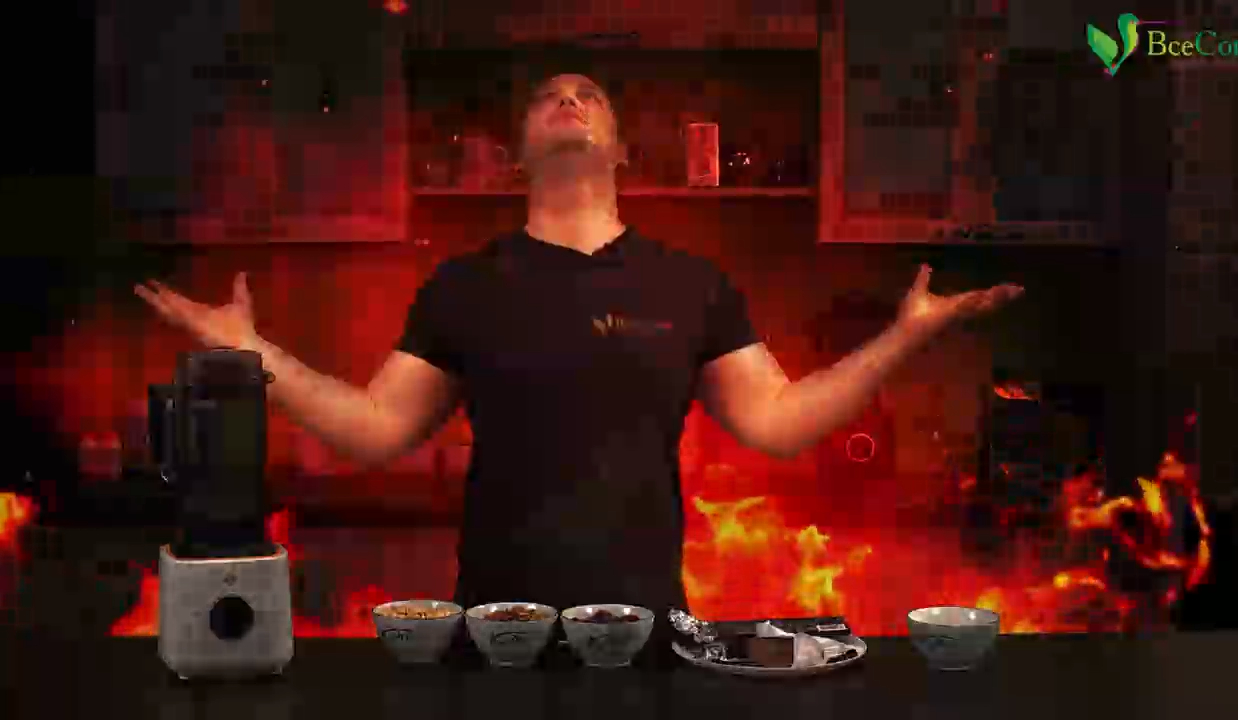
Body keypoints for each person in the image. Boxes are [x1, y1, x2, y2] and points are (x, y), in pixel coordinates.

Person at [136, 73, 1022, 664]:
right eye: (548, 96)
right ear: (518, 153)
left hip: (649, 636)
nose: (568, 97)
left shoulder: (690, 283)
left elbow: (778, 422)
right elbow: (375, 430)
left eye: (587, 94)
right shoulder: (465, 285)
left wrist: (904, 336)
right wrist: (254, 353)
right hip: (496, 635)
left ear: (621, 149)